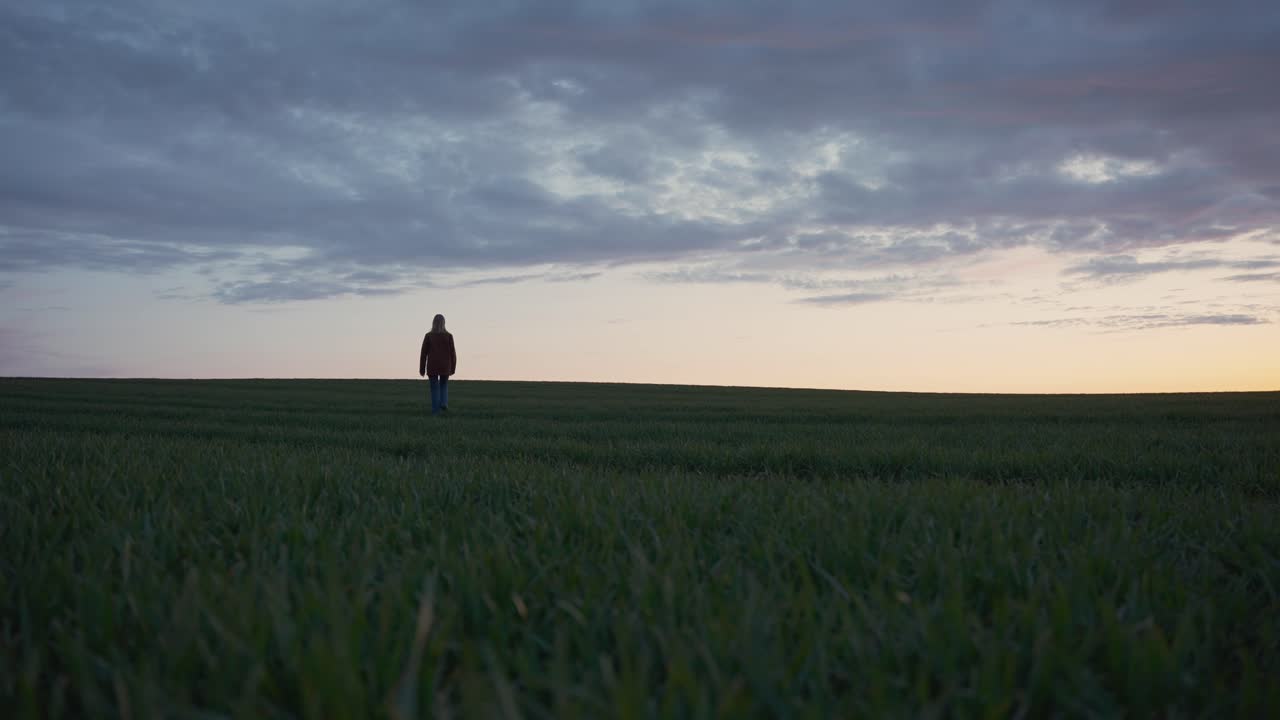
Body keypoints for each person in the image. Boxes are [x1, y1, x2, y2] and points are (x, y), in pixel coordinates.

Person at [418, 314, 457, 415]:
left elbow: (423, 353)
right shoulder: (449, 336)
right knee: (444, 385)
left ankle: (435, 410)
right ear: (444, 323)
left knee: (434, 388)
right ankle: (444, 402)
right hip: (445, 366)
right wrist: (453, 368)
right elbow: (453, 353)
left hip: (432, 366)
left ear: (433, 323)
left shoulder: (428, 336)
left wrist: (422, 369)